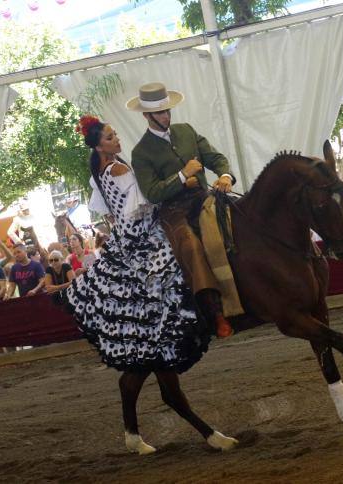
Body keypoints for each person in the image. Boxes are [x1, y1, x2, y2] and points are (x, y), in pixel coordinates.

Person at [66, 115, 235, 455]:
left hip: (126, 237)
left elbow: (111, 210)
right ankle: (210, 312)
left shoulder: (101, 171)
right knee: (180, 262)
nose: (117, 140)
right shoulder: (118, 169)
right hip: (142, 236)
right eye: (111, 137)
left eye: (115, 135)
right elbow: (150, 197)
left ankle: (133, 432)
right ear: (100, 144)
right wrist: (185, 176)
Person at [129, 82, 235, 338]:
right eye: (160, 113)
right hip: (174, 211)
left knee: (240, 219)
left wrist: (224, 175)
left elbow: (214, 157)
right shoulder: (140, 152)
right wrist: (181, 175)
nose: (166, 116)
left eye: (167, 111)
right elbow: (152, 192)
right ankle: (216, 313)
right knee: (191, 247)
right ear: (147, 116)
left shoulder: (186, 131)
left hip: (203, 197)